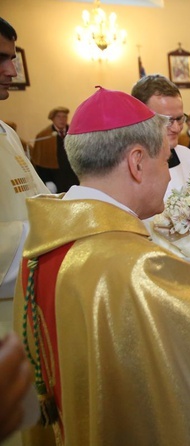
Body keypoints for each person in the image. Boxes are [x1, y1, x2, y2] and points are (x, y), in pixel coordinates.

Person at [15, 86, 190, 445]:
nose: (169, 175)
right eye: (166, 160)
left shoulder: (38, 250)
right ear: (137, 162)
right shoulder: (132, 265)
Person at [0, 17, 45, 442]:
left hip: (23, 314)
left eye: (11, 59)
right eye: (2, 59)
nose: (12, 70)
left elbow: (33, 199)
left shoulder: (7, 134)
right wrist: (53, 233)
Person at [131, 74, 190, 200]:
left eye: (180, 118)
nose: (177, 128)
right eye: (167, 121)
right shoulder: (128, 168)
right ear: (141, 119)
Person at [31, 106, 78, 193]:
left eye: (64, 116)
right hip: (55, 178)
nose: (62, 119)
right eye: (58, 117)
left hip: (73, 177)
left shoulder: (75, 133)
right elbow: (40, 161)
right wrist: (47, 180)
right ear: (52, 119)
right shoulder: (44, 136)